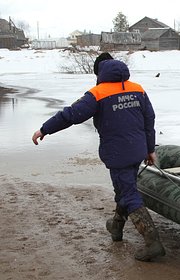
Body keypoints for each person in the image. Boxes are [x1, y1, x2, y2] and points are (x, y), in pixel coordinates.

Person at [32, 52, 165, 262]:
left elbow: (70, 115)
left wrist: (44, 129)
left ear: (99, 72)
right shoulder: (137, 89)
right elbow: (149, 119)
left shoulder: (97, 93)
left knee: (128, 192)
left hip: (118, 153)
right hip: (137, 149)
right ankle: (116, 228)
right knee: (124, 188)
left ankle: (152, 242)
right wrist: (149, 149)